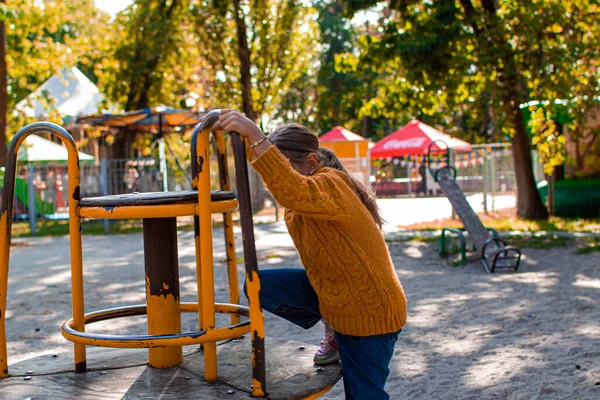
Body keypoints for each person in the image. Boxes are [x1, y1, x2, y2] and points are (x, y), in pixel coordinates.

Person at [213, 110, 407, 400]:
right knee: (260, 285)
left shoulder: (330, 184)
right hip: (339, 295)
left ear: (312, 163)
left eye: (286, 167)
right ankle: (333, 328)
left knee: (365, 396)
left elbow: (291, 189)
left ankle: (339, 337)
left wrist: (255, 134)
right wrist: (243, 145)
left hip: (370, 312)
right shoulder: (307, 195)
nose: (276, 179)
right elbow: (286, 185)